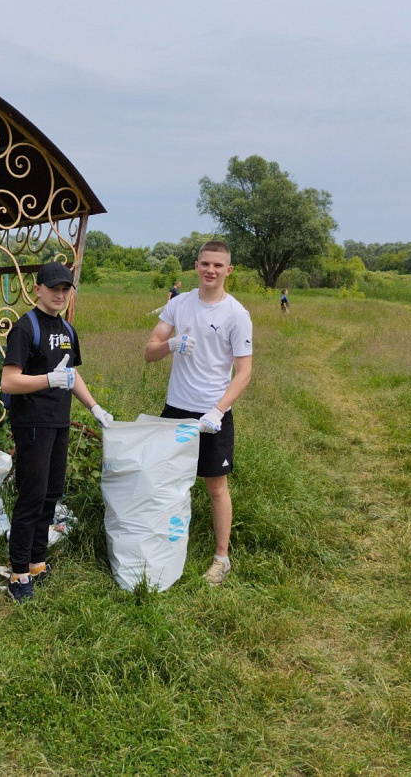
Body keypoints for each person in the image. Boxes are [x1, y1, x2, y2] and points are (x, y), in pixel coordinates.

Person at [1, 261, 114, 602]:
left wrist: (94, 407)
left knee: (51, 494)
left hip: (59, 422)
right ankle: (18, 574)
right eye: (53, 288)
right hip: (32, 423)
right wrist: (48, 379)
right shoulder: (25, 329)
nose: (60, 295)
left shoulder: (67, 330)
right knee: (31, 496)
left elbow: (72, 374)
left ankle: (37, 562)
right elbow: (9, 380)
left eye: (66, 289)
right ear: (37, 289)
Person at [144, 240, 253, 586]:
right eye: (205, 263)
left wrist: (218, 411)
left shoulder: (237, 314)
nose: (211, 270)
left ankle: (221, 558)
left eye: (218, 266)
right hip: (177, 407)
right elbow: (149, 352)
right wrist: (170, 345)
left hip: (212, 414)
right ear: (196, 265)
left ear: (228, 270)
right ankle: (166, 544)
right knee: (168, 482)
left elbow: (244, 372)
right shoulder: (178, 304)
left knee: (216, 486)